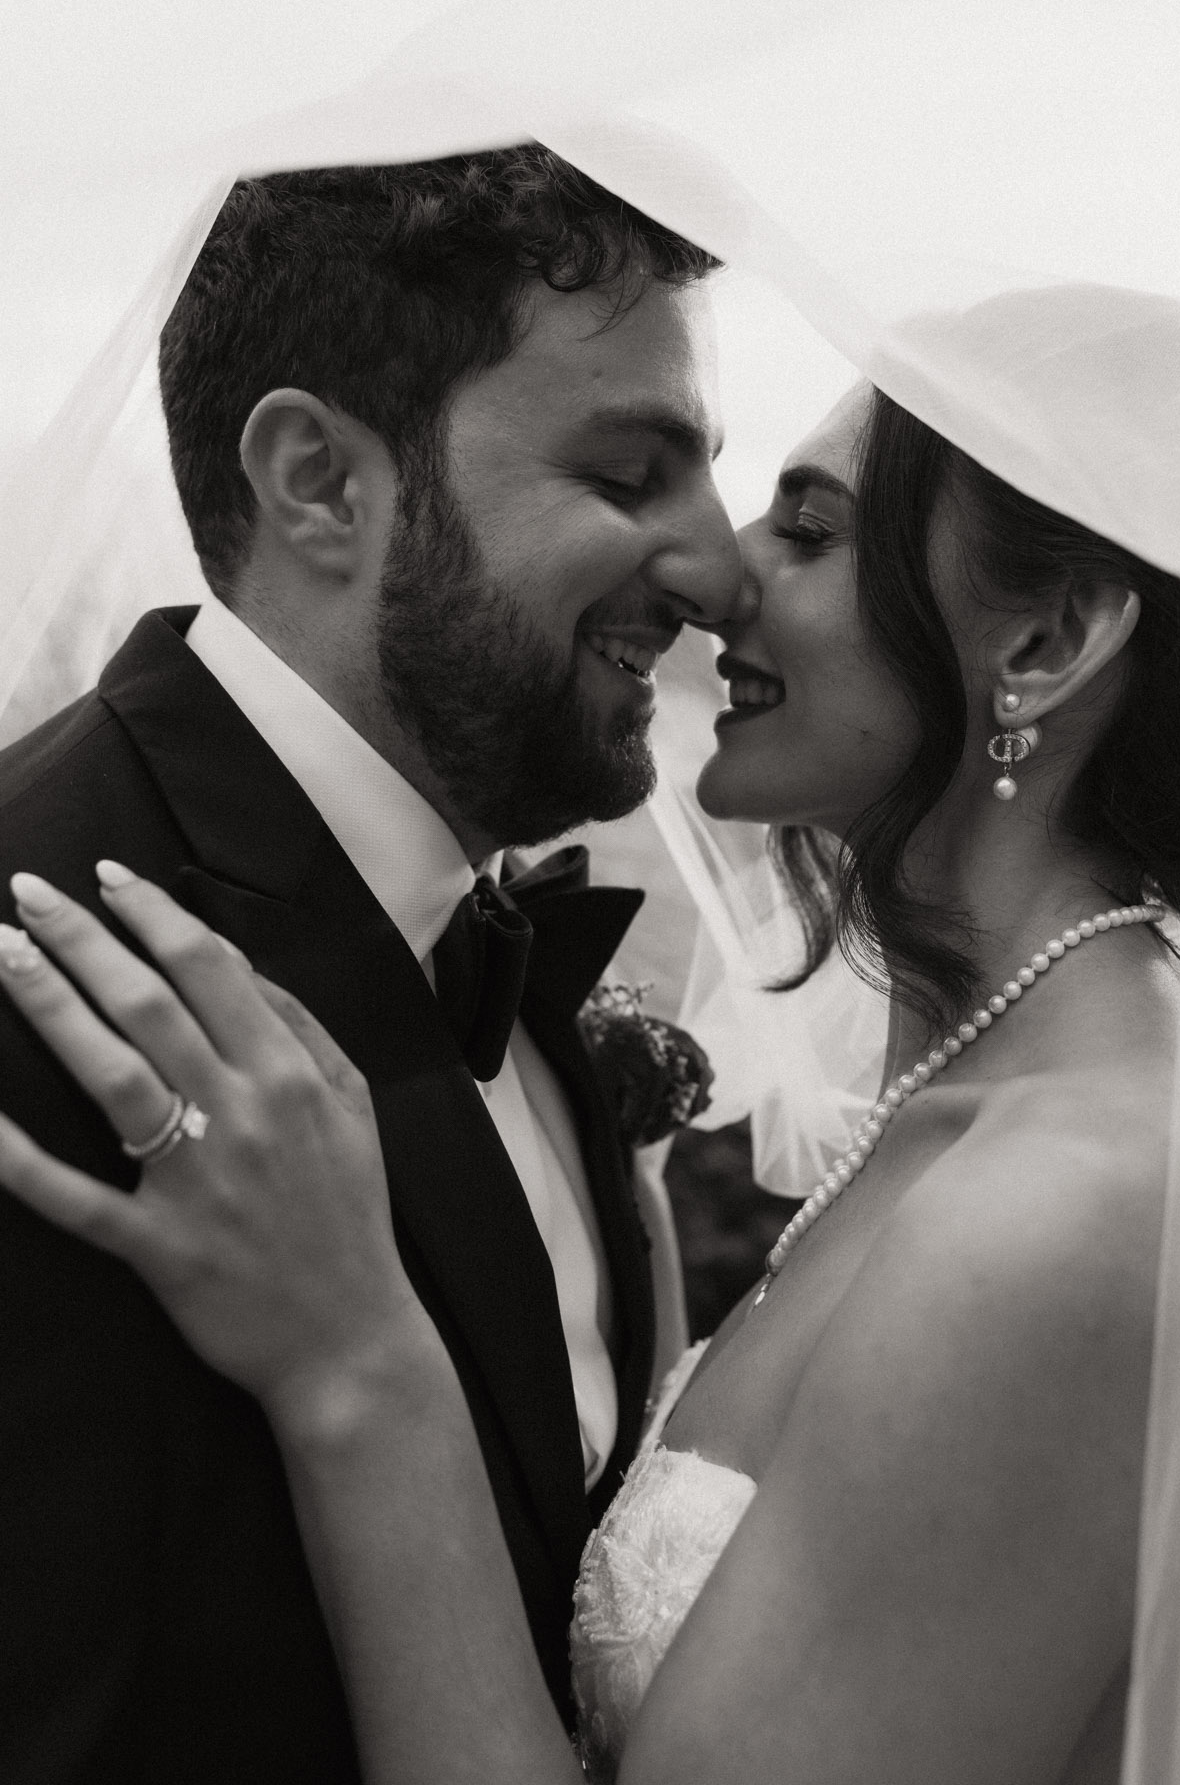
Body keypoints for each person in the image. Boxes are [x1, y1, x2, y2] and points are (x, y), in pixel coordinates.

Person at [0, 286, 1180, 1784]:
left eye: (807, 526)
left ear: (1042, 639)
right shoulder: (962, 1106)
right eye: (631, 477)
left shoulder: (1079, 1202)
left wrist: (360, 1365)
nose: (724, 576)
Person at [0, 149, 740, 1782]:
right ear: (320, 481)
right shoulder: (38, 960)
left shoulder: (505, 949)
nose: (723, 573)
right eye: (631, 477)